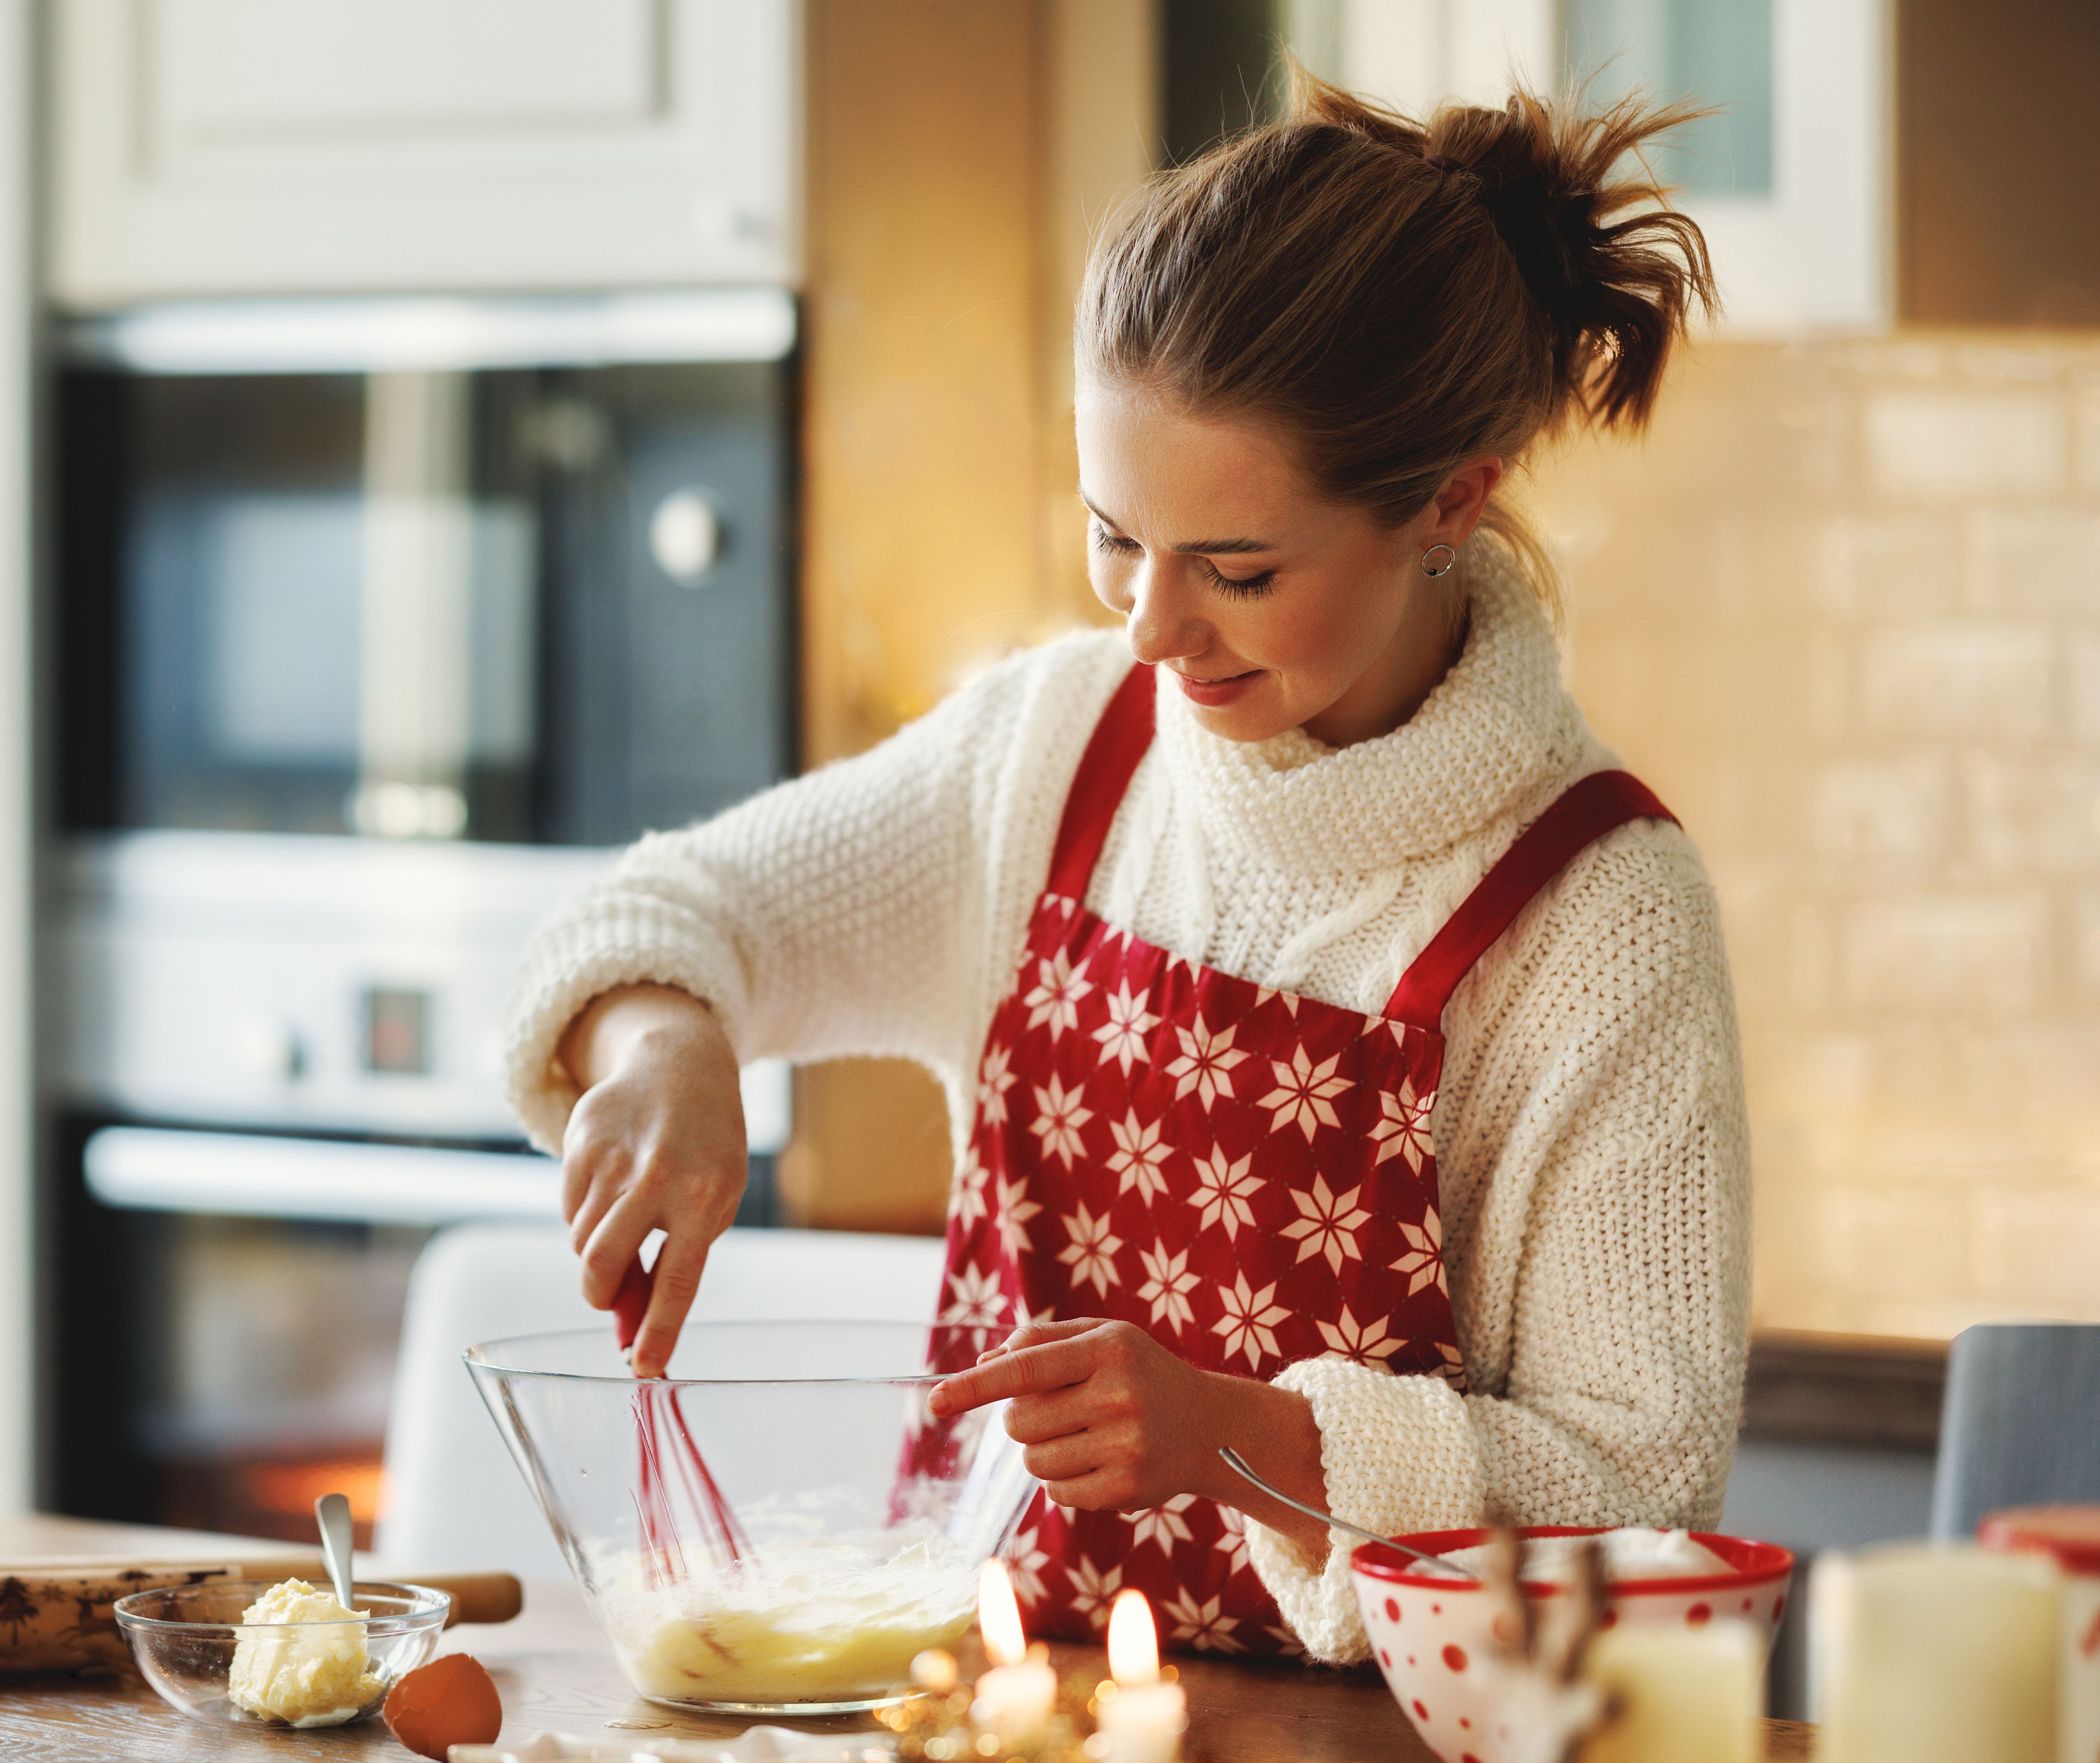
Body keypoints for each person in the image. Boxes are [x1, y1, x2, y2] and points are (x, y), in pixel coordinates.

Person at [497, 68, 1751, 1664]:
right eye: (1114, 536)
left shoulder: (1599, 915)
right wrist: (667, 1042)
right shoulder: (1060, 747)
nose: (1150, 632)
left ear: (1451, 501)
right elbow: (667, 916)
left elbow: (1653, 1491)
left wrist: (1250, 1437)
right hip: (1005, 1751)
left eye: (1238, 568)